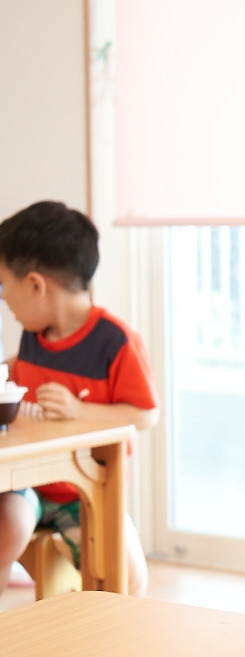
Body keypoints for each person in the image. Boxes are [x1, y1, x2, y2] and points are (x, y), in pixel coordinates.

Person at [0, 200, 159, 600]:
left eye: (5, 288)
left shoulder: (114, 342)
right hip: (29, 485)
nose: (5, 303)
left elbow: (144, 413)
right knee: (8, 528)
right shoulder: (34, 337)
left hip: (86, 495)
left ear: (35, 285)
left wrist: (79, 410)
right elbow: (18, 376)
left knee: (130, 581)